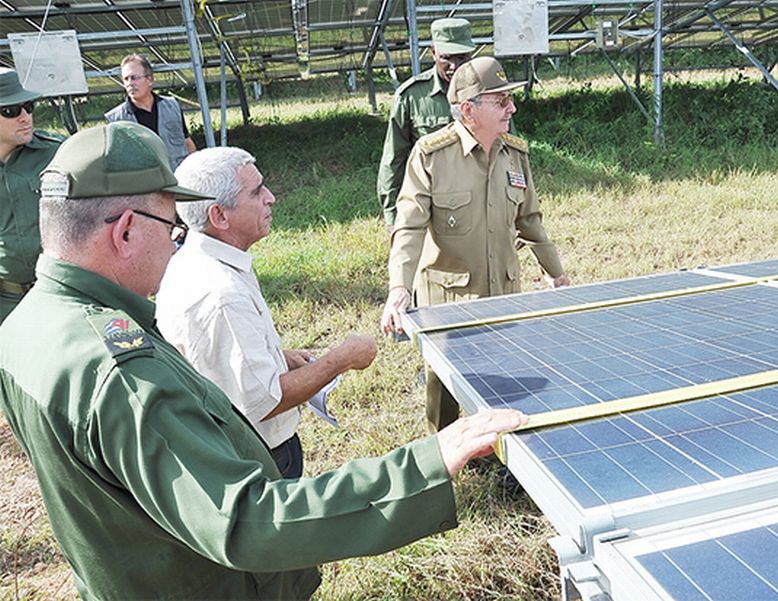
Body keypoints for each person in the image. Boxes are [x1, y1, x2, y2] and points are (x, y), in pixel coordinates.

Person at [0, 121, 526, 600]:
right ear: (126, 232)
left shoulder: (25, 328)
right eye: (170, 229)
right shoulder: (120, 372)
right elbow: (246, 521)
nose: (177, 243)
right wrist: (424, 464)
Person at [156, 147, 377, 478]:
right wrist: (342, 358)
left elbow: (220, 359)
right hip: (260, 458)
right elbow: (266, 401)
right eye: (257, 192)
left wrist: (277, 356)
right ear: (219, 216)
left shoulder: (201, 261)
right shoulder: (222, 294)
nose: (271, 198)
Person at [381, 56, 570, 433]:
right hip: (450, 300)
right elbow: (409, 225)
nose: (511, 108)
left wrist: (558, 275)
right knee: (445, 387)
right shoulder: (431, 156)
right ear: (468, 110)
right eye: (501, 101)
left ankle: (499, 452)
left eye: (509, 100)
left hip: (502, 290)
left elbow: (530, 222)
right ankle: (443, 454)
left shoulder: (515, 155)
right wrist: (399, 287)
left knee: (501, 378)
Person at [376, 17, 475, 231]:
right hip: (431, 204)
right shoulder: (411, 97)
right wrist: (392, 215)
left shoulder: (488, 93)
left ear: (472, 54)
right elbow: (394, 157)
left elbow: (508, 150)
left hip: (479, 200)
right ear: (433, 53)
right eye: (447, 58)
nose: (455, 67)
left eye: (462, 57)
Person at [0, 67, 61, 323]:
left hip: (58, 296)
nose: (25, 117)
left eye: (28, 106)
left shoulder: (58, 154)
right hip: (7, 302)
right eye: (11, 111)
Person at [105, 54, 196, 171]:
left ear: (149, 80)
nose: (130, 83)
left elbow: (187, 142)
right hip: (144, 185)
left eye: (134, 78)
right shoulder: (115, 120)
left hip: (177, 180)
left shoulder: (172, 106)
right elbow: (116, 162)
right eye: (126, 79)